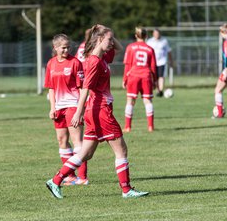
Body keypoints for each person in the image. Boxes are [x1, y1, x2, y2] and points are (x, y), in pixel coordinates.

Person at [46, 24, 149, 199]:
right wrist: (78, 112)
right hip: (100, 110)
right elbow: (86, 88)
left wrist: (106, 30)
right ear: (100, 39)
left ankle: (55, 180)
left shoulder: (102, 57)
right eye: (109, 39)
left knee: (86, 153)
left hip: (95, 111)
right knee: (121, 150)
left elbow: (117, 47)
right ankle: (127, 190)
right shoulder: (94, 61)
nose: (112, 42)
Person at [44, 34, 88, 185]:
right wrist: (52, 108)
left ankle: (82, 177)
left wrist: (79, 110)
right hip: (59, 107)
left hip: (73, 105)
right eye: (63, 47)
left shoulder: (75, 62)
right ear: (55, 48)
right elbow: (51, 88)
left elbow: (83, 88)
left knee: (77, 141)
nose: (66, 50)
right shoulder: (50, 64)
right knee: (62, 140)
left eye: (68, 47)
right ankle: (70, 176)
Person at [122, 27, 157, 132]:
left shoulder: (130, 47)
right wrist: (154, 80)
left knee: (130, 101)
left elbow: (127, 65)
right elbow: (153, 67)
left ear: (136, 36)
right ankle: (150, 126)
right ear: (146, 36)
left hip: (133, 76)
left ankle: (128, 127)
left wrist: (124, 79)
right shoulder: (150, 49)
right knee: (147, 101)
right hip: (146, 76)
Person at [146, 28, 173, 97]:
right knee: (154, 77)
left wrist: (171, 61)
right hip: (152, 62)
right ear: (153, 34)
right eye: (155, 34)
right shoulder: (149, 41)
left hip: (162, 62)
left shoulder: (164, 41)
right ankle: (157, 90)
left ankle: (160, 91)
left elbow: (169, 51)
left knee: (161, 76)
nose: (157, 35)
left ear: (160, 34)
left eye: (158, 34)